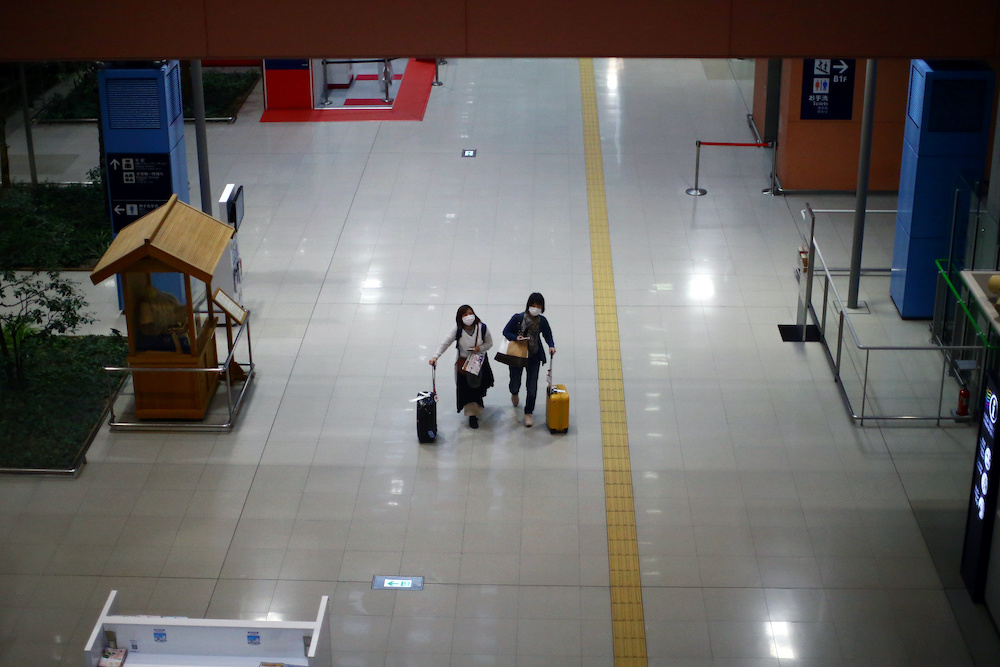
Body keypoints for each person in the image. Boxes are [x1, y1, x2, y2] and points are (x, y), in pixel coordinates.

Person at [429, 305, 495, 429]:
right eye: (464, 315)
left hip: (478, 363)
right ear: (460, 318)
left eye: (470, 313)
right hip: (464, 365)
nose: (468, 316)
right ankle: (472, 415)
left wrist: (479, 348)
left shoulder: (482, 328)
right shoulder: (458, 330)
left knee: (478, 387)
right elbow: (445, 343)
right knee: (468, 389)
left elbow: (489, 343)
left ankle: (477, 405)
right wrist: (435, 356)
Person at [503, 292, 555, 427]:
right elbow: (506, 331)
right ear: (528, 305)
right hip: (518, 355)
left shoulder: (542, 321)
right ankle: (514, 392)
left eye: (538, 306)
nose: (535, 308)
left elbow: (548, 335)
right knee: (515, 381)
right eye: (533, 305)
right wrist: (516, 338)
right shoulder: (518, 318)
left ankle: (528, 412)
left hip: (534, 357)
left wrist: (551, 346)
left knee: (532, 387)